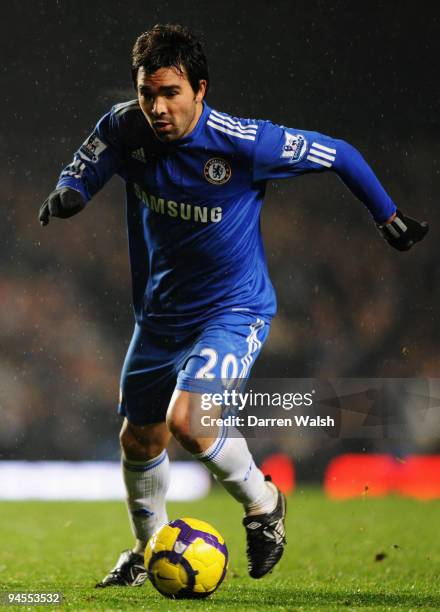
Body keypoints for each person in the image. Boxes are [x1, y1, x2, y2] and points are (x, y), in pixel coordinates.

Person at [39, 24, 428, 587]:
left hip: (232, 311)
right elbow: (85, 164)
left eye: (170, 92)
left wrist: (387, 216)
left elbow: (341, 154)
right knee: (139, 438)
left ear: (200, 89)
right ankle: (150, 553)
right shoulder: (125, 127)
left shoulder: (245, 143)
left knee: (191, 423)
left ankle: (264, 502)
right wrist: (68, 191)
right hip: (159, 316)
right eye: (148, 92)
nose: (157, 106)